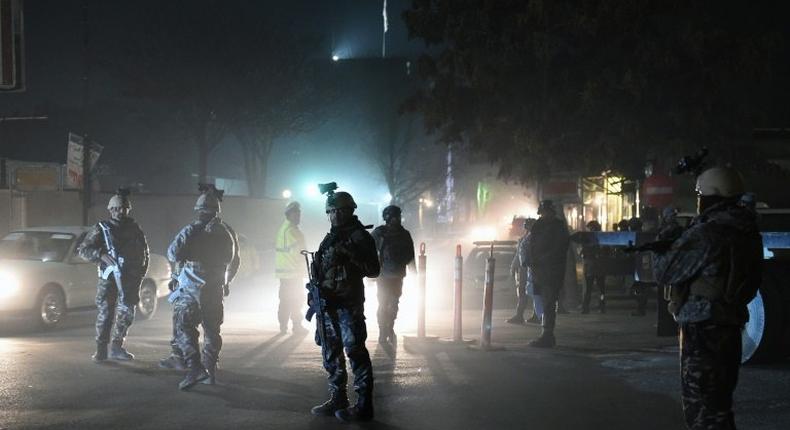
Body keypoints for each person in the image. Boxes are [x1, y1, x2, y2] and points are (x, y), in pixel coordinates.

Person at [654, 167, 763, 429]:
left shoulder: (708, 234)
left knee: (702, 410)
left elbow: (664, 271)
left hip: (703, 329)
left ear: (711, 197)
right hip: (728, 325)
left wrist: (667, 233)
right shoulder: (746, 230)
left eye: (700, 195)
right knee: (719, 406)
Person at [309, 188, 380, 422]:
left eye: (341, 210)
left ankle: (363, 405)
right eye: (332, 211)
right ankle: (338, 398)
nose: (336, 215)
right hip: (328, 304)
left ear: (350, 211)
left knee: (355, 352)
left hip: (348, 304)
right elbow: (322, 269)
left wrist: (349, 252)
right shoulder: (330, 237)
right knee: (331, 353)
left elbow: (373, 270)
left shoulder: (359, 237)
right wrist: (314, 293)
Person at [165, 185, 239, 390]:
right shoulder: (227, 232)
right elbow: (234, 261)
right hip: (214, 290)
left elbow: (172, 254)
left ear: (199, 210)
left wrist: (190, 231)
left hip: (190, 290)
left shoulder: (192, 230)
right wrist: (226, 282)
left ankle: (195, 368)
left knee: (184, 328)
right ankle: (210, 371)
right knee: (212, 331)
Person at [78, 189, 149, 362]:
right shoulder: (101, 228)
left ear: (127, 209)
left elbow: (144, 251)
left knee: (126, 313)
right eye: (116, 208)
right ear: (110, 210)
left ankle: (117, 347)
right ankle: (101, 349)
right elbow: (83, 250)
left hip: (130, 278)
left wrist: (140, 272)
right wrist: (100, 254)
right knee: (106, 312)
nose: (119, 212)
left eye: (123, 208)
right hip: (109, 278)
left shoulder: (134, 228)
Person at [527, 200, 569, 347]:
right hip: (539, 271)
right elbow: (532, 245)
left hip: (551, 271)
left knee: (549, 304)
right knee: (544, 303)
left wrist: (542, 260)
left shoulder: (558, 227)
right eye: (543, 212)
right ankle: (546, 333)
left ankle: (547, 334)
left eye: (547, 212)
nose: (545, 214)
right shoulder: (539, 226)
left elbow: (559, 249)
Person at [371, 205, 415, 345]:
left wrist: (415, 272)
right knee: (383, 304)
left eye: (398, 216)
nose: (396, 219)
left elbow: (410, 254)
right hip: (382, 276)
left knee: (394, 304)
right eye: (394, 216)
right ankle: (383, 330)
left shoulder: (404, 234)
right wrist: (369, 273)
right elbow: (369, 252)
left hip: (397, 276)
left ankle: (389, 327)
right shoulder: (379, 233)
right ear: (387, 218)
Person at [275, 201, 308, 334]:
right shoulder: (292, 231)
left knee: (285, 300)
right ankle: (296, 325)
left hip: (287, 274)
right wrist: (306, 269)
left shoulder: (284, 229)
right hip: (293, 273)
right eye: (296, 213)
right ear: (289, 215)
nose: (298, 216)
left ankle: (283, 325)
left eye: (299, 213)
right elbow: (299, 254)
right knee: (296, 299)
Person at [508, 217, 541, 324]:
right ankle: (520, 314)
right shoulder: (524, 239)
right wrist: (514, 266)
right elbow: (519, 255)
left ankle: (535, 315)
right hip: (524, 268)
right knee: (523, 292)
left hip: (531, 268)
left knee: (534, 293)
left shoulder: (535, 239)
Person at [578, 220, 606, 314]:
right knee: (600, 289)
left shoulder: (588, 239)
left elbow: (583, 252)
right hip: (599, 266)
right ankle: (601, 306)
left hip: (592, 266)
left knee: (590, 289)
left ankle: (587, 307)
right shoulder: (602, 238)